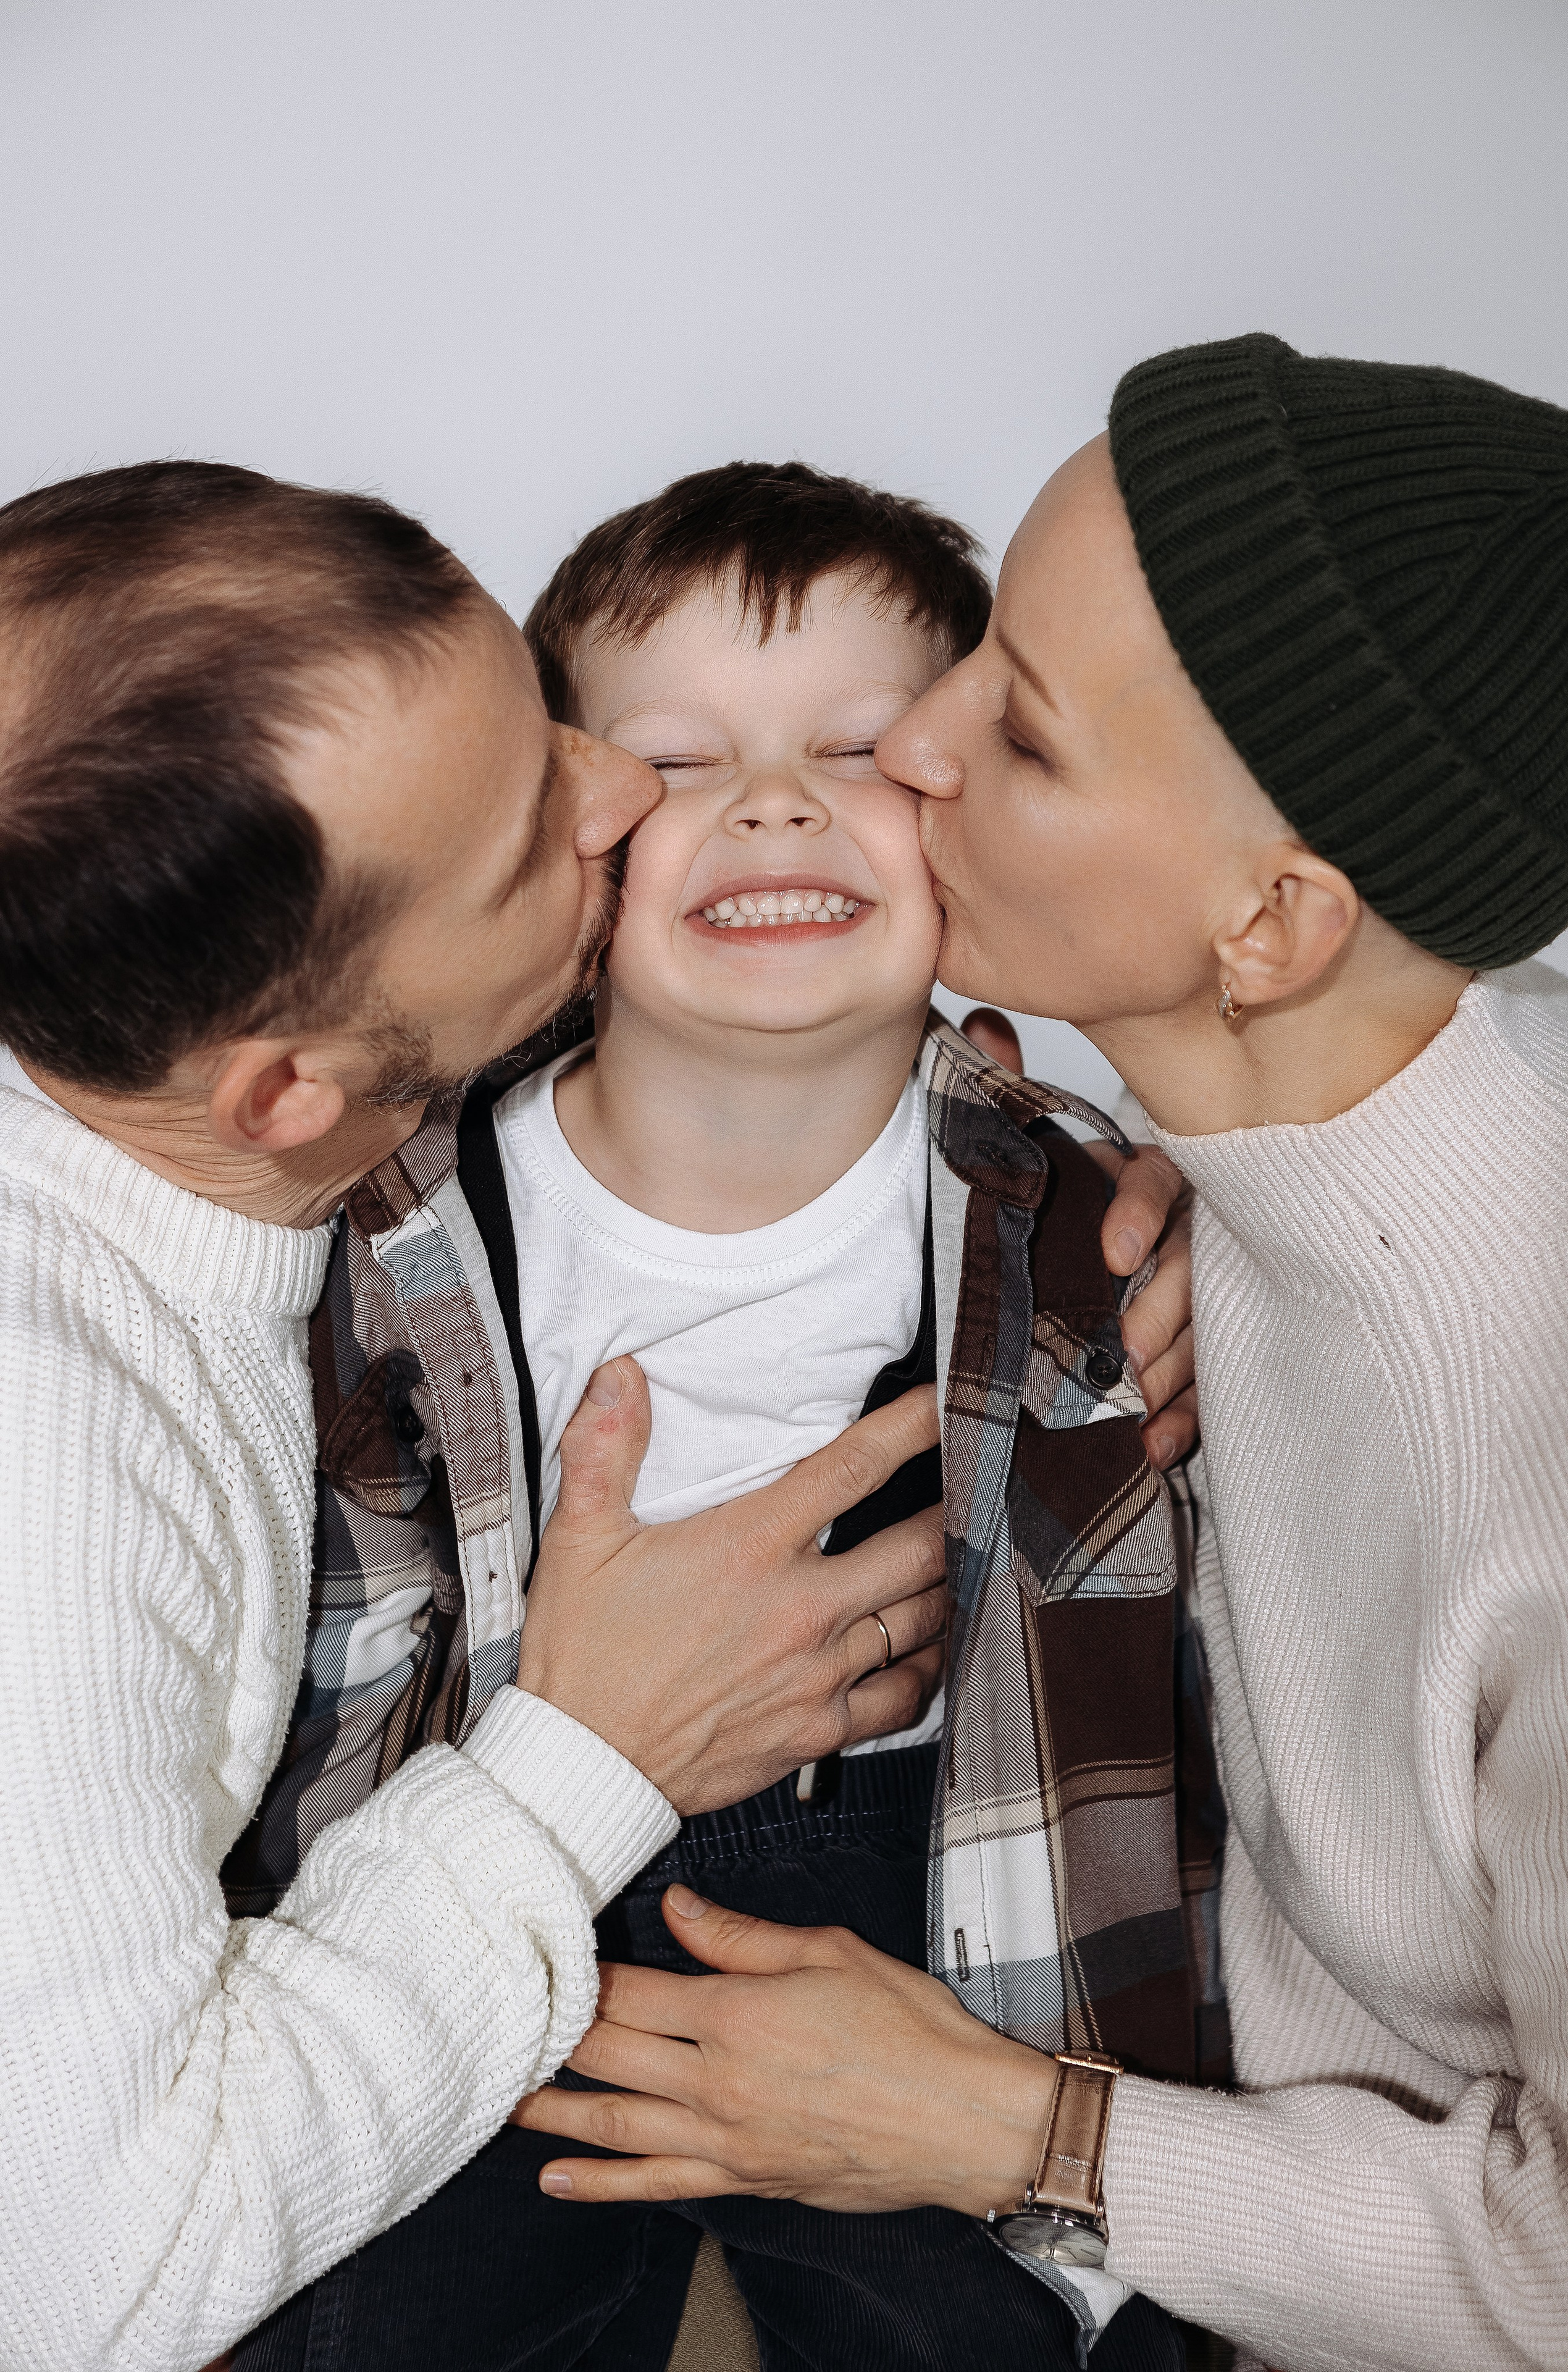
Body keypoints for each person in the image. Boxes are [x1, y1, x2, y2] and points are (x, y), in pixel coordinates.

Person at [517, 337, 1568, 2372]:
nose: (903, 743)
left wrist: (1009, 2130)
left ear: (1267, 928)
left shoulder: (1545, 1426)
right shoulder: (1184, 1176)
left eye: (1020, 730)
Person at [0, 458, 975, 2372]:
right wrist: (584, 1749)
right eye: (541, 830)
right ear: (289, 1089)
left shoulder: (248, 1119)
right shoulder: (50, 1481)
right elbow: (85, 2288)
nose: (631, 795)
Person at [234, 463, 1209, 2372]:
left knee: (1017, 2346)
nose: (774, 801)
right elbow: (335, 1661)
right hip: (498, 1899)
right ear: (569, 839)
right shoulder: (393, 1212)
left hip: (941, 1918)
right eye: (677, 763)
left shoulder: (1093, 1223)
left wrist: (1224, 1251)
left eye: (859, 746)